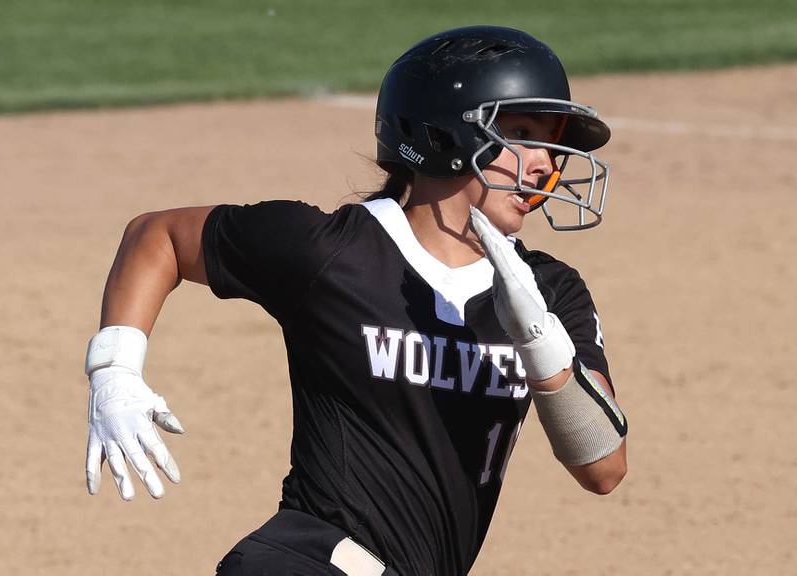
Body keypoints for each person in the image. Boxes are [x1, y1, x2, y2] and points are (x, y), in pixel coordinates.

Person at [83, 25, 628, 576]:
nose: (546, 164)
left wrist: (542, 345)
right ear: (444, 134)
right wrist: (114, 369)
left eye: (553, 141)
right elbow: (157, 237)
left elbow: (604, 467)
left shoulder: (553, 292)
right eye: (523, 133)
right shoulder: (332, 251)